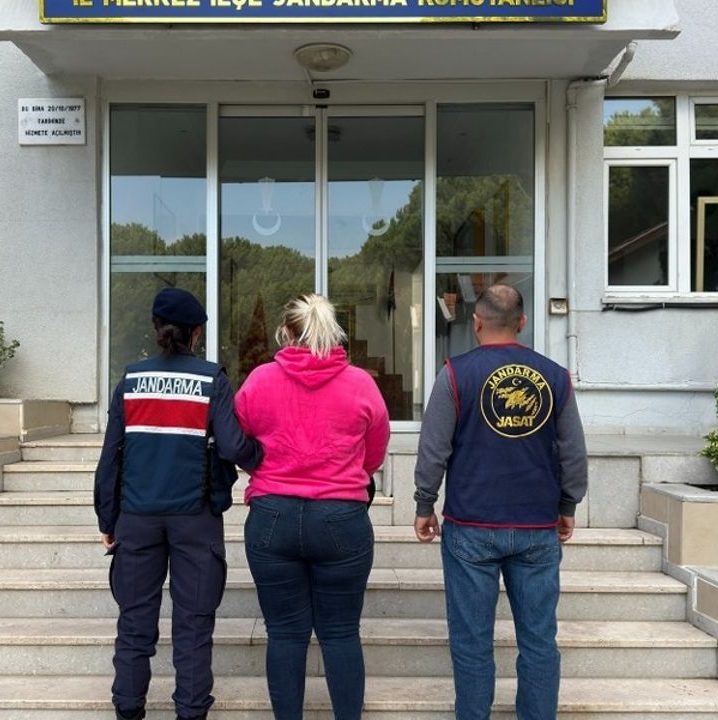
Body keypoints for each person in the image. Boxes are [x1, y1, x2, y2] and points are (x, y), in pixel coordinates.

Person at [413, 284, 587, 720]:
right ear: (522, 322)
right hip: (537, 527)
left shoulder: (455, 374)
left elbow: (434, 448)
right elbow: (573, 452)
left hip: (471, 525)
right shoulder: (555, 376)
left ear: (476, 323)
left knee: (472, 641)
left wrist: (424, 503)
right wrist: (568, 505)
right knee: (539, 641)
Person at [94, 287, 263, 720]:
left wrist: (107, 517)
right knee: (193, 625)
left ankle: (128, 709)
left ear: (155, 329)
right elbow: (233, 446)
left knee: (135, 623)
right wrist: (262, 455)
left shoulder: (131, 380)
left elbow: (111, 455)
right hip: (196, 520)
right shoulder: (211, 379)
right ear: (197, 333)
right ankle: (191, 711)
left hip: (136, 518)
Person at [235, 293, 391, 720]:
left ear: (286, 333)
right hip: (341, 517)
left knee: (285, 634)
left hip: (272, 516)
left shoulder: (260, 381)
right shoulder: (361, 383)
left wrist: (265, 467)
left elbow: (238, 441)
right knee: (341, 633)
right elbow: (374, 453)